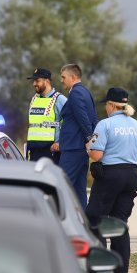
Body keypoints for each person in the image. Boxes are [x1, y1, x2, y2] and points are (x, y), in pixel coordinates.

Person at [86, 87, 137, 273]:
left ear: (111, 105)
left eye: (106, 105)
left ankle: (101, 269)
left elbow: (97, 155)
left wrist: (89, 146)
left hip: (109, 175)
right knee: (120, 222)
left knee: (95, 220)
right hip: (130, 175)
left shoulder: (105, 124)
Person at [57, 64, 98, 208]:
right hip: (80, 149)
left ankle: (60, 221)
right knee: (80, 189)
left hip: (73, 148)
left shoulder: (75, 93)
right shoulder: (86, 92)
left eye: (63, 77)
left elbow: (83, 118)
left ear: (73, 77)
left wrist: (89, 139)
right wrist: (92, 140)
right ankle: (83, 223)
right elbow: (93, 118)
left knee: (62, 185)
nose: (61, 80)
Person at [25, 67, 67, 164]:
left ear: (47, 81)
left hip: (51, 151)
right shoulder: (34, 99)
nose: (34, 84)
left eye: (37, 81)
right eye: (33, 81)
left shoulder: (59, 99)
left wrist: (60, 142)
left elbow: (69, 122)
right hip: (34, 150)